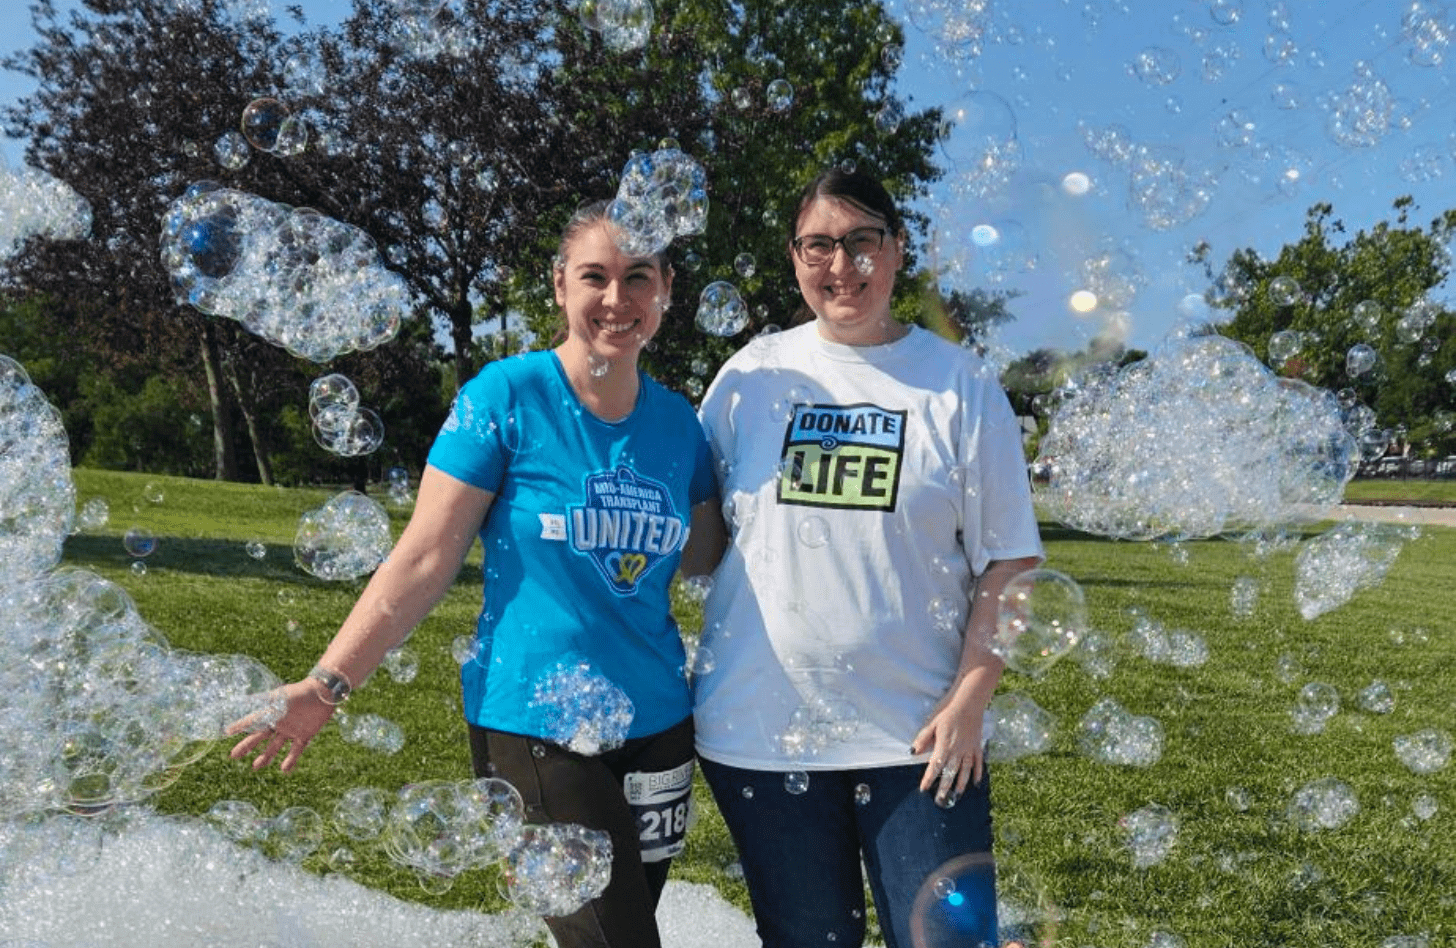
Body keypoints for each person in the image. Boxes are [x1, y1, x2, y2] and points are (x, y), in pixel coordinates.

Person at [229, 199, 721, 948]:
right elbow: (425, 557)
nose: (617, 300)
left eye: (638, 278)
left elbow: (710, 554)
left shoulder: (680, 424)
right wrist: (327, 683)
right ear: (560, 286)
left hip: (658, 727)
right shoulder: (506, 397)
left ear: (666, 291)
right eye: (595, 277)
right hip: (537, 723)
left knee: (624, 929)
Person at [691, 168, 1044, 948]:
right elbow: (703, 537)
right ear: (794, 259)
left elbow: (1010, 564)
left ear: (897, 250)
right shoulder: (750, 376)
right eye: (818, 245)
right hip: (759, 728)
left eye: (860, 242)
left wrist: (970, 704)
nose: (839, 265)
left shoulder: (961, 385)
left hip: (918, 738)